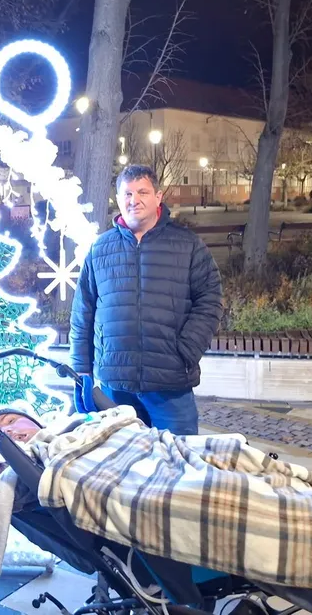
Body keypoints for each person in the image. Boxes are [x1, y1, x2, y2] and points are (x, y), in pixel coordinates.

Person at [70, 165, 223, 435]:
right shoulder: (100, 249)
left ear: (158, 197)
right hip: (116, 384)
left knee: (179, 456)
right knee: (121, 456)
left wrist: (185, 351)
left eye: (142, 192)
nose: (134, 200)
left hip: (170, 384)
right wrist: (81, 369)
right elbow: (83, 312)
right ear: (118, 199)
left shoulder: (187, 245)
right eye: (127, 194)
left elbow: (210, 300)